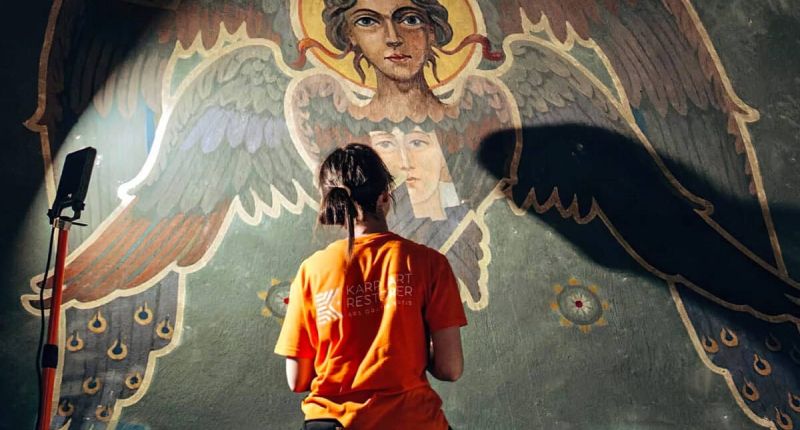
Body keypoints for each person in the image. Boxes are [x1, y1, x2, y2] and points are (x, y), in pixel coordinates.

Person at [274, 143, 467, 430]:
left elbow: (297, 379)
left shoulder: (310, 272)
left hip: (331, 423)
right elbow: (450, 368)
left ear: (334, 205)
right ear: (385, 198)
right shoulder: (429, 264)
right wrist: (411, 346)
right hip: (410, 421)